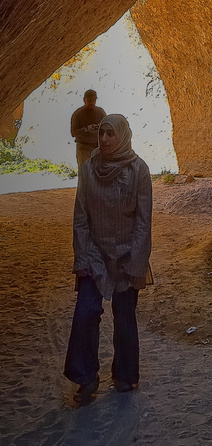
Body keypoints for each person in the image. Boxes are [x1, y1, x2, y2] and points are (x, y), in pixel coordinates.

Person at [64, 114, 153, 402]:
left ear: (123, 136)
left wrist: (137, 262)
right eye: (101, 134)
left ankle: (125, 375)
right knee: (86, 312)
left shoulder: (139, 170)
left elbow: (143, 221)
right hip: (95, 252)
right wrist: (84, 256)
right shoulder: (89, 169)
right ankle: (86, 377)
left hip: (127, 254)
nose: (104, 139)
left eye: (110, 134)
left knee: (125, 316)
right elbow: (81, 217)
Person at [70, 89, 106, 168]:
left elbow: (107, 127)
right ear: (84, 100)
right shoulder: (77, 114)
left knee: (101, 172)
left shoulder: (100, 112)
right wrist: (86, 129)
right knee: (85, 173)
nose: (91, 102)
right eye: (89, 100)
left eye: (93, 100)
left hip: (98, 147)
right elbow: (73, 133)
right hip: (84, 148)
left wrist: (101, 127)